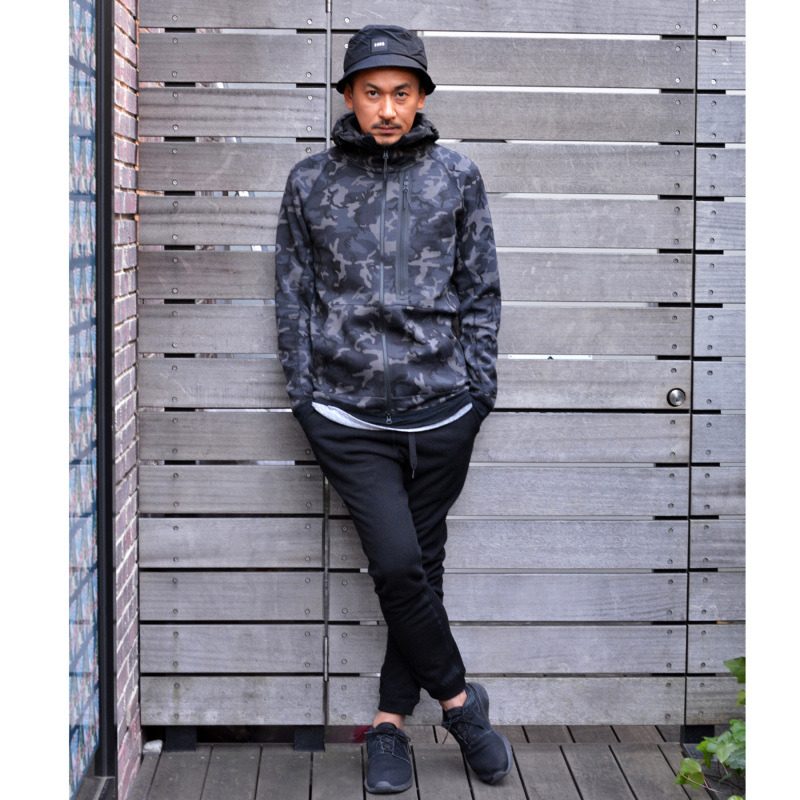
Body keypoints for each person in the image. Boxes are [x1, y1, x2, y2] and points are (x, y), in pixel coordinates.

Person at [275, 24, 509, 794]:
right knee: (401, 564)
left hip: (443, 413)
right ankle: (462, 705)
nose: (386, 108)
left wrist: (477, 392)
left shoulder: (457, 177)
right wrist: (306, 398)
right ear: (348, 96)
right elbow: (292, 298)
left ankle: (387, 726)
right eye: (371, 92)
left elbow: (480, 291)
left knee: (419, 574)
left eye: (401, 93)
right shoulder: (310, 182)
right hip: (347, 417)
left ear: (421, 98)